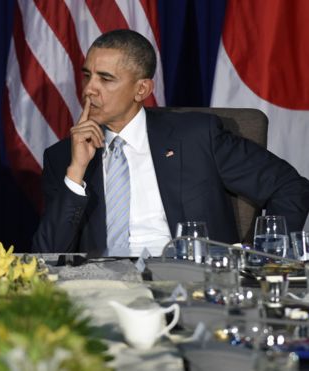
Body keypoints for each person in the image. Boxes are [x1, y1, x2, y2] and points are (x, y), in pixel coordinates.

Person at [32, 29, 309, 257]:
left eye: (106, 79)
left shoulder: (196, 137)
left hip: (191, 283)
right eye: (86, 75)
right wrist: (77, 171)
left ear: (141, 89)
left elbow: (290, 187)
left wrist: (265, 256)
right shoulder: (63, 157)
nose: (90, 89)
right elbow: (48, 253)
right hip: (104, 290)